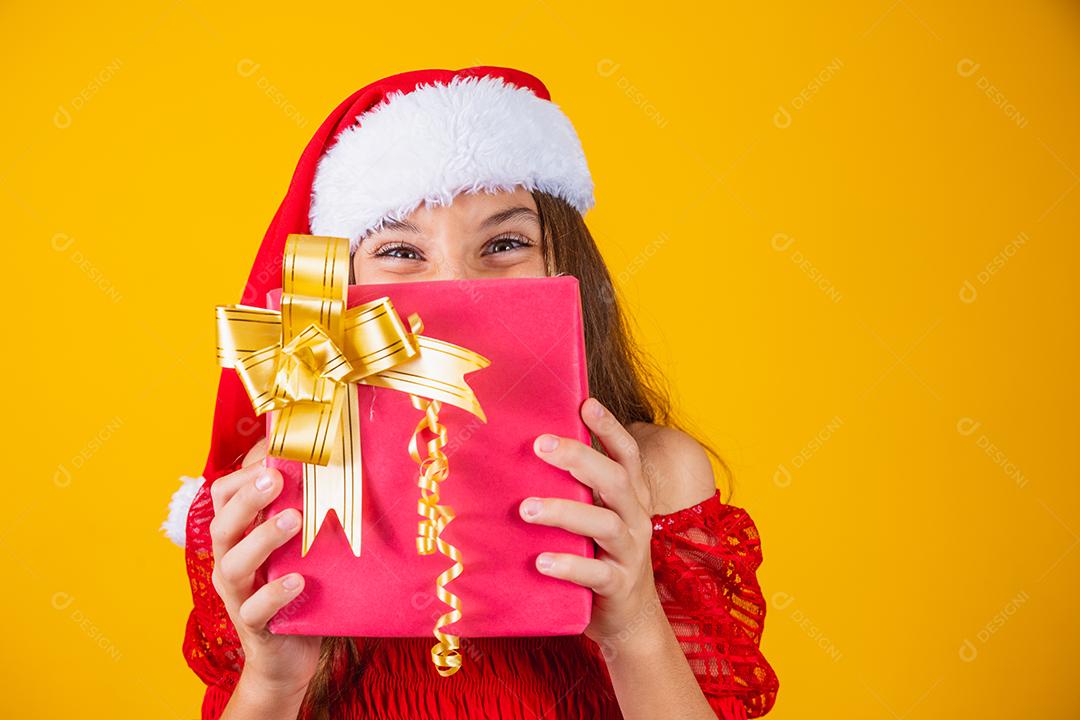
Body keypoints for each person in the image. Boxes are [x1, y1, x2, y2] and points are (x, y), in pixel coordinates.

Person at [163, 66, 779, 720]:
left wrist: (633, 629)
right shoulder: (283, 491)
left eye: (506, 242)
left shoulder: (652, 476)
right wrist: (271, 680)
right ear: (340, 283)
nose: (453, 285)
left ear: (563, 264)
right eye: (400, 251)